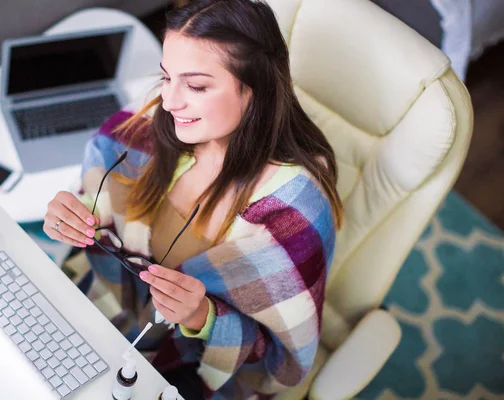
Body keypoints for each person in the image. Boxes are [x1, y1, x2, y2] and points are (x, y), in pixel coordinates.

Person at [44, 0, 342, 398]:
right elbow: (105, 199)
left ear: (254, 91)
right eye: (167, 77)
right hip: (114, 317)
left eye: (197, 86)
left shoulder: (294, 214)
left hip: (191, 367)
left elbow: (281, 361)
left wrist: (204, 317)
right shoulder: (152, 121)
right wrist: (79, 216)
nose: (169, 101)